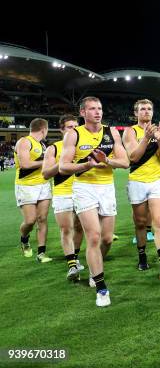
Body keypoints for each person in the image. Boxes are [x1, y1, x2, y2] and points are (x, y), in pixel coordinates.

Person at [59, 96, 130, 307]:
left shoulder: (112, 132)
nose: (97, 112)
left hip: (106, 188)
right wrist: (86, 166)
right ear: (83, 113)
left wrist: (106, 161)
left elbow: (125, 162)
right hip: (84, 188)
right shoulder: (73, 135)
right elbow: (63, 167)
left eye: (99, 108)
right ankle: (101, 287)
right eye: (92, 109)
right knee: (94, 236)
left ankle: (93, 269)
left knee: (107, 239)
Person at [122, 99, 160, 279]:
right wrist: (146, 138)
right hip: (137, 181)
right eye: (142, 109)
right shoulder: (130, 132)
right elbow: (134, 157)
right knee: (140, 222)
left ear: (153, 112)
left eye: (149, 109)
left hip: (157, 182)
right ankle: (142, 255)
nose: (146, 112)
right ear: (136, 113)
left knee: (159, 222)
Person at [42, 114, 85, 281]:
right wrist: (61, 163)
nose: (73, 129)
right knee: (66, 229)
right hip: (62, 193)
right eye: (69, 127)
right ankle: (72, 265)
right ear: (61, 130)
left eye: (76, 126)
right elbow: (45, 174)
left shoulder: (82, 145)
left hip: (82, 191)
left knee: (80, 228)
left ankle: (76, 257)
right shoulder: (53, 148)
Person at [14, 118, 52, 262]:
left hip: (43, 185)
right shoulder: (24, 141)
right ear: (44, 129)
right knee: (30, 221)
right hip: (26, 186)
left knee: (42, 219)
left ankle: (41, 253)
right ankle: (24, 239)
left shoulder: (42, 145)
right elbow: (25, 164)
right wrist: (46, 161)